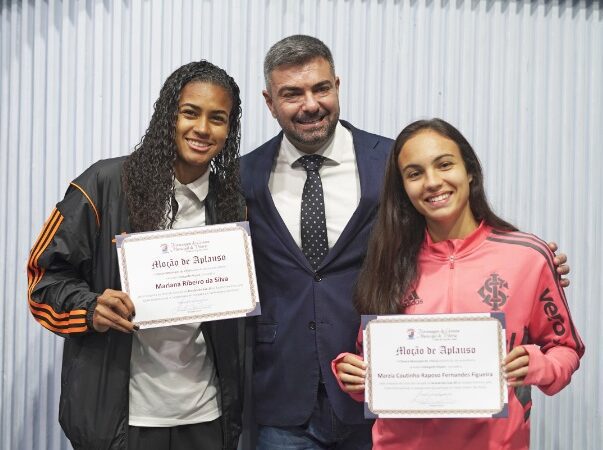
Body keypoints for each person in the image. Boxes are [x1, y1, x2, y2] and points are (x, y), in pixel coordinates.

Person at [241, 35, 571, 449]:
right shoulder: (243, 177)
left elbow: (454, 233)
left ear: (337, 86)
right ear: (270, 102)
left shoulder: (395, 162)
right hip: (284, 392)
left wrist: (531, 263)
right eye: (291, 93)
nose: (310, 104)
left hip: (386, 399)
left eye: (320, 88)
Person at [27, 61, 246, 450]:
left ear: (228, 131)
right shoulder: (104, 184)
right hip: (123, 420)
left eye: (218, 118)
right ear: (168, 115)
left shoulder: (232, 204)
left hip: (207, 414)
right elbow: (43, 281)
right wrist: (91, 308)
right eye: (190, 112)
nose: (202, 129)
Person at [333, 118, 585, 450]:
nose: (432, 182)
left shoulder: (528, 256)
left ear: (469, 171)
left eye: (444, 165)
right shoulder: (387, 261)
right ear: (403, 189)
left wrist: (539, 365)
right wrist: (354, 375)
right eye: (414, 173)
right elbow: (371, 363)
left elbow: (565, 349)